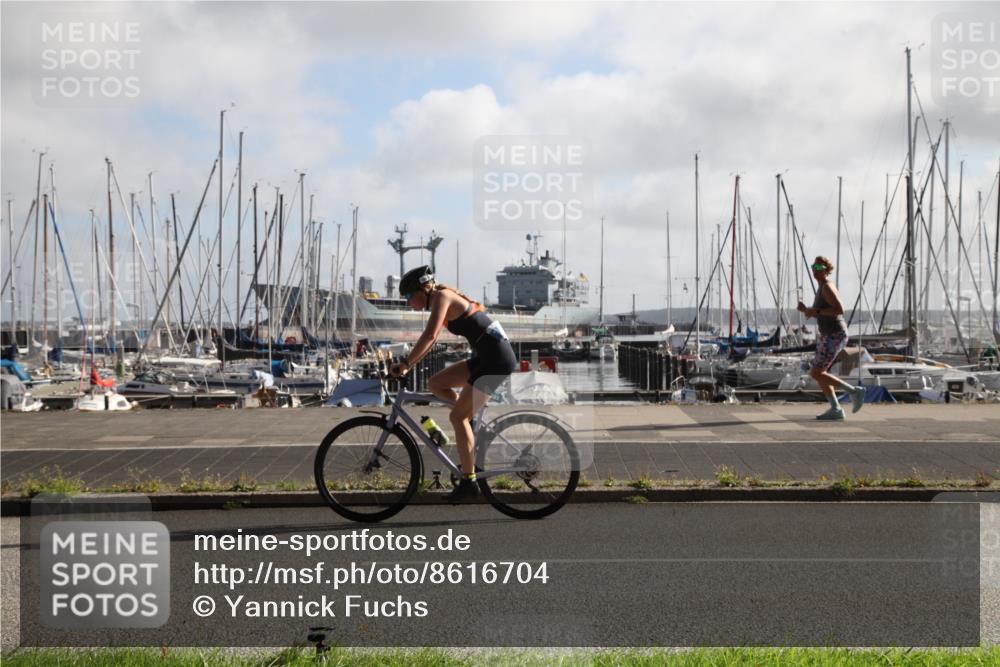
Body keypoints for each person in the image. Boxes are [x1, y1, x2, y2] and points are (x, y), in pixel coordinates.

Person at [389, 265, 518, 501]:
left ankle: (469, 483)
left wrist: (407, 363)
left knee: (456, 417)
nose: (408, 302)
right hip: (484, 357)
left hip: (496, 360)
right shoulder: (440, 297)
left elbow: (431, 335)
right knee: (436, 384)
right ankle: (467, 425)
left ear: (422, 290)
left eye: (408, 297)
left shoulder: (442, 297)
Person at [797, 256, 866, 420]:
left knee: (816, 372)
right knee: (820, 372)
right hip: (828, 334)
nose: (815, 269)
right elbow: (821, 311)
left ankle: (854, 391)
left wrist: (816, 311)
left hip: (835, 334)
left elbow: (839, 309)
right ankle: (836, 409)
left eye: (820, 267)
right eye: (814, 266)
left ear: (826, 270)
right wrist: (808, 310)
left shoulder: (827, 287)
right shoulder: (821, 288)